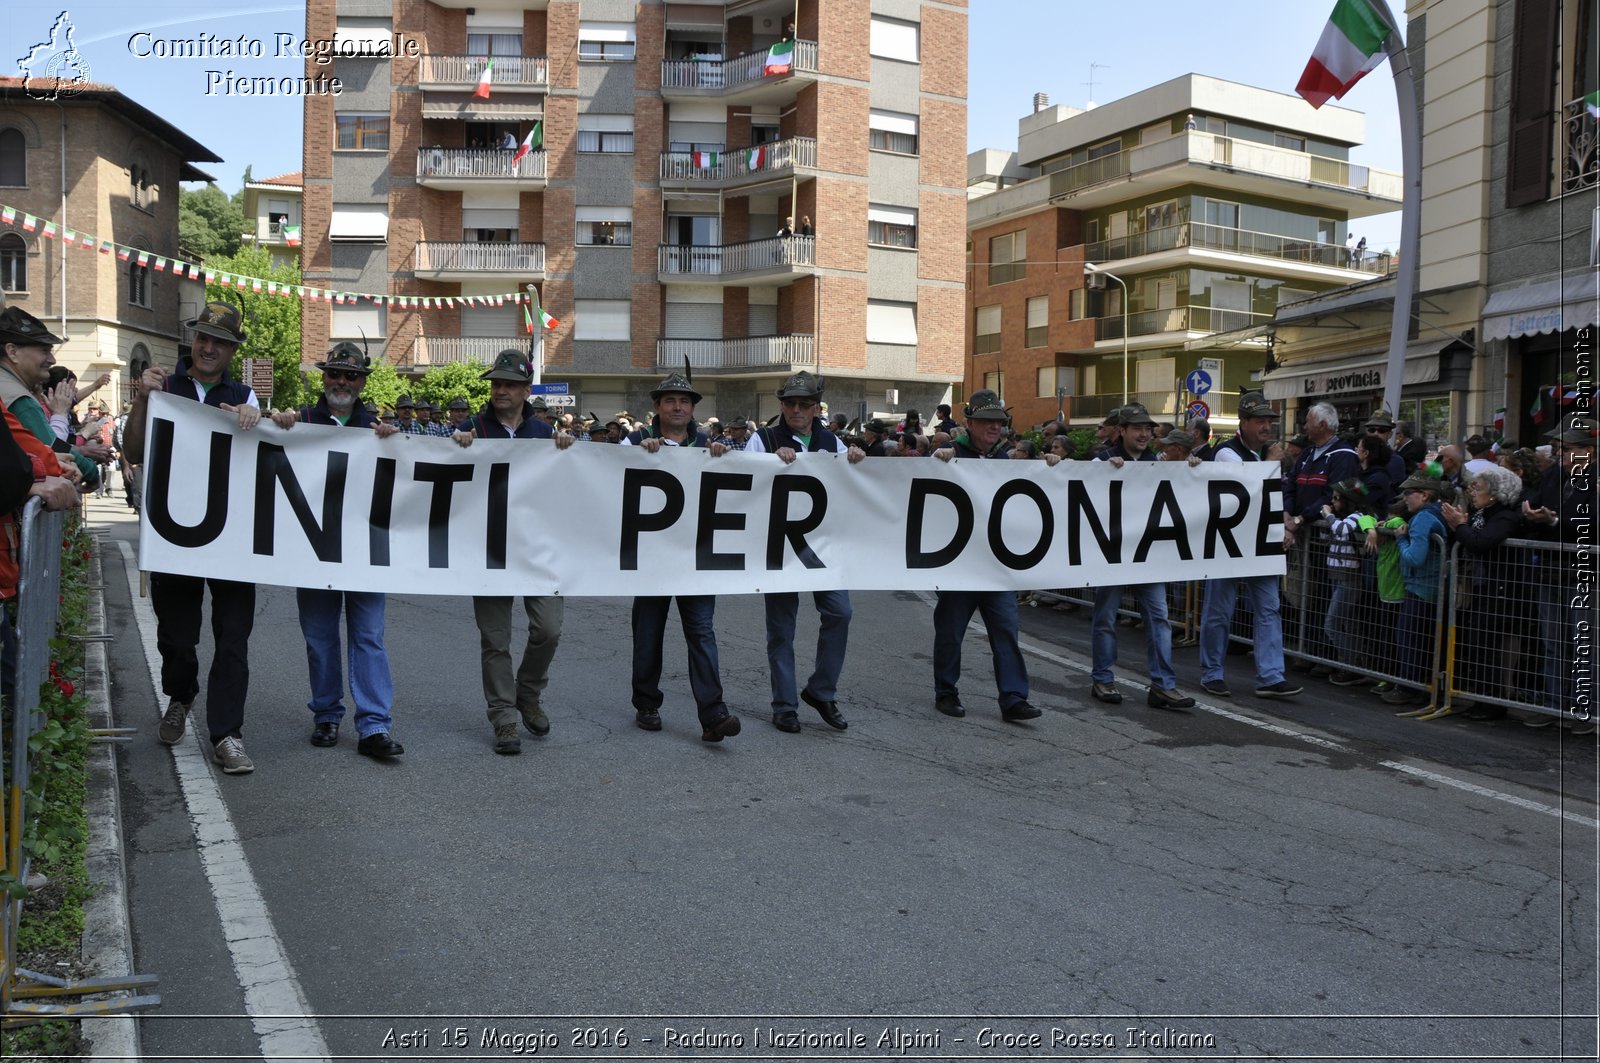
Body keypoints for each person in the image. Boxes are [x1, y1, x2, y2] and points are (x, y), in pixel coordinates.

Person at [119, 301, 264, 774]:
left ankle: (227, 735)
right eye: (203, 338)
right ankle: (181, 695)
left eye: (219, 342)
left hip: (232, 540)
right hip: (176, 536)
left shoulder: (247, 395)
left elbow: (266, 460)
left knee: (233, 639)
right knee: (177, 637)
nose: (208, 347)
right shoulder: (164, 388)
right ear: (193, 342)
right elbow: (136, 450)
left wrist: (255, 419)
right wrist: (142, 399)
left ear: (231, 350)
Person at [268, 343, 406, 759]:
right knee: (320, 638)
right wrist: (276, 425)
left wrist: (397, 444)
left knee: (369, 637)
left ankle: (374, 726)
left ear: (362, 382)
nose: (341, 382)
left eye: (350, 375)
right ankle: (326, 715)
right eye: (334, 374)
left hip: (364, 551)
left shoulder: (379, 429)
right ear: (324, 378)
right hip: (312, 550)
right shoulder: (300, 422)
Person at [450, 349, 576, 754]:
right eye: (496, 384)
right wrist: (456, 449)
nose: (500, 390)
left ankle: (528, 693)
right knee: (495, 638)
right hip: (487, 550)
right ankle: (504, 717)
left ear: (526, 390)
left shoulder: (544, 433)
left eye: (509, 384)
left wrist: (570, 450)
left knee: (549, 629)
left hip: (538, 550)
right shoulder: (471, 429)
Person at [623, 370, 740, 742]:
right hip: (652, 560)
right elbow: (603, 473)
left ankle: (713, 715)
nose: (677, 406)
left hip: (695, 561)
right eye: (670, 400)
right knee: (648, 633)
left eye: (684, 401)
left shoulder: (709, 445)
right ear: (657, 406)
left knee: (702, 633)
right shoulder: (635, 441)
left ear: (693, 410)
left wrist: (725, 459)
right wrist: (637, 457)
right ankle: (646, 703)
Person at [745, 371, 865, 733]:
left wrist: (858, 460)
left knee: (840, 613)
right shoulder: (762, 438)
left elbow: (855, 486)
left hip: (823, 548)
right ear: (782, 404)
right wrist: (767, 462)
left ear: (816, 407)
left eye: (804, 404)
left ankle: (821, 690)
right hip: (777, 547)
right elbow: (743, 484)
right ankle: (784, 705)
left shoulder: (833, 441)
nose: (796, 409)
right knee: (781, 629)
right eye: (790, 403)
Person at [929, 389, 1045, 723]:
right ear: (969, 423)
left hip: (995, 567)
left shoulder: (1006, 460)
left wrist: (1050, 467)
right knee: (950, 631)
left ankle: (1013, 698)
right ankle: (946, 691)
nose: (995, 427)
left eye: (1000, 422)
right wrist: (937, 462)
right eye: (987, 421)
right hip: (960, 565)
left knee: (1007, 630)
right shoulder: (948, 454)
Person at [1088, 403, 1196, 710]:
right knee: (1106, 617)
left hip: (1148, 556)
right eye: (1138, 429)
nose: (1144, 434)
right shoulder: (1103, 459)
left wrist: (1194, 470)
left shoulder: (1157, 463)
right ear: (1122, 431)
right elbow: (1079, 491)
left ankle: (1163, 685)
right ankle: (1103, 679)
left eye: (1149, 430)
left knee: (1159, 618)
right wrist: (1102, 472)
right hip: (1113, 555)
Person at [1197, 391, 1302, 700]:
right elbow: (1244, 491)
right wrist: (1269, 465)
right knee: (1219, 610)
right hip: (1227, 543)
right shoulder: (1226, 453)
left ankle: (1271, 676)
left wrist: (1284, 520)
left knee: (1269, 608)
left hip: (1260, 543)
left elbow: (1272, 498)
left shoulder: (1269, 452)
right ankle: (1212, 672)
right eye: (1260, 421)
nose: (1266, 427)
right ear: (1243, 422)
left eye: (1269, 421)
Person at [1439, 464, 1527, 720]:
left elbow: (1481, 543)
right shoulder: (1480, 513)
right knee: (1476, 642)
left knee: (1487, 643)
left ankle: (1492, 702)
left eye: (1478, 488)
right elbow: (1463, 540)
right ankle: (1481, 698)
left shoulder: (1505, 517)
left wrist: (1460, 525)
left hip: (1500, 590)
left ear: (1495, 493)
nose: (1472, 492)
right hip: (1479, 587)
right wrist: (1458, 525)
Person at [1384, 471, 1448, 708]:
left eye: (1409, 493)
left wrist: (1401, 539)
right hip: (1431, 588)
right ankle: (1423, 689)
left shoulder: (1422, 518)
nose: (1405, 498)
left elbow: (1415, 557)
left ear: (1424, 495)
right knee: (1423, 640)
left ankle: (1409, 688)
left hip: (1422, 588)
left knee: (1410, 638)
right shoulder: (1437, 512)